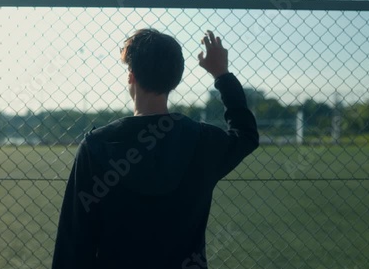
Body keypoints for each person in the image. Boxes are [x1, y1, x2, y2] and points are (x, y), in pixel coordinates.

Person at [51, 29, 259, 269]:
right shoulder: (202, 141)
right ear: (176, 79)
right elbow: (246, 135)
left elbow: (74, 242)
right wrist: (221, 74)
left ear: (131, 76)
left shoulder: (96, 146)